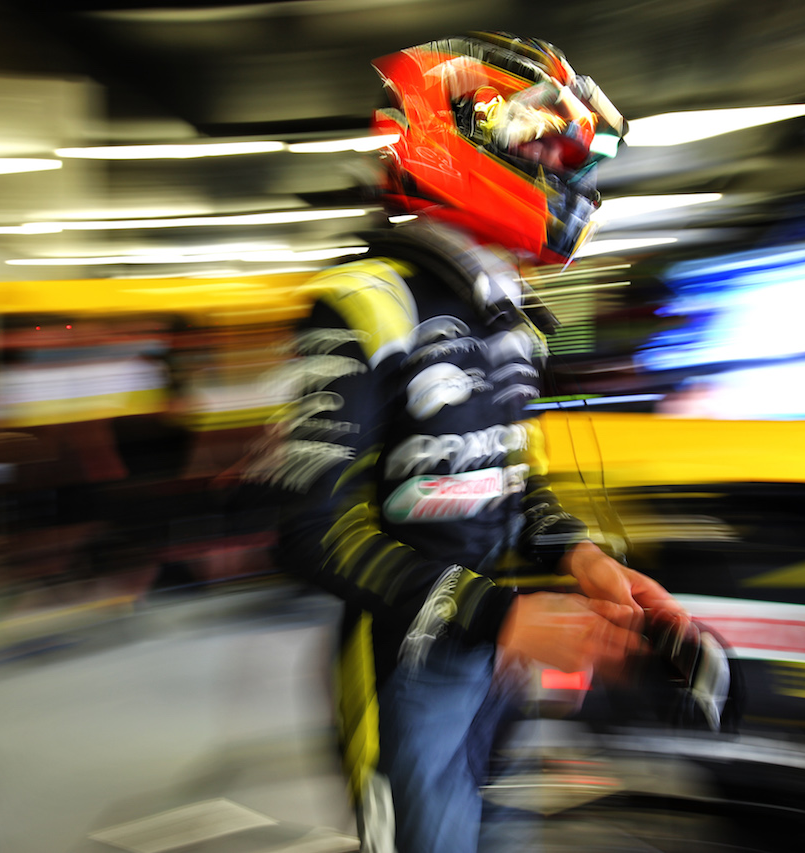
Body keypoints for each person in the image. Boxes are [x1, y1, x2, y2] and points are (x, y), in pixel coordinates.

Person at [248, 32, 699, 853]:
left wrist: (584, 560)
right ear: (466, 133)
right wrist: (499, 615)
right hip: (402, 665)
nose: (571, 175)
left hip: (498, 661)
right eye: (552, 147)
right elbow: (309, 525)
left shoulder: (511, 317)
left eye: (574, 157)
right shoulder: (363, 299)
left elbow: (508, 485)